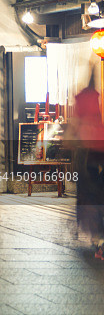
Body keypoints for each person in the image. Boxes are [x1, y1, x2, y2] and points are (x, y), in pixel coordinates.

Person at [65, 71, 104, 260]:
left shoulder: (81, 99)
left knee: (89, 193)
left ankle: (97, 237)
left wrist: (69, 139)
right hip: (100, 150)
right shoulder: (98, 99)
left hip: (88, 152)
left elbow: (74, 125)